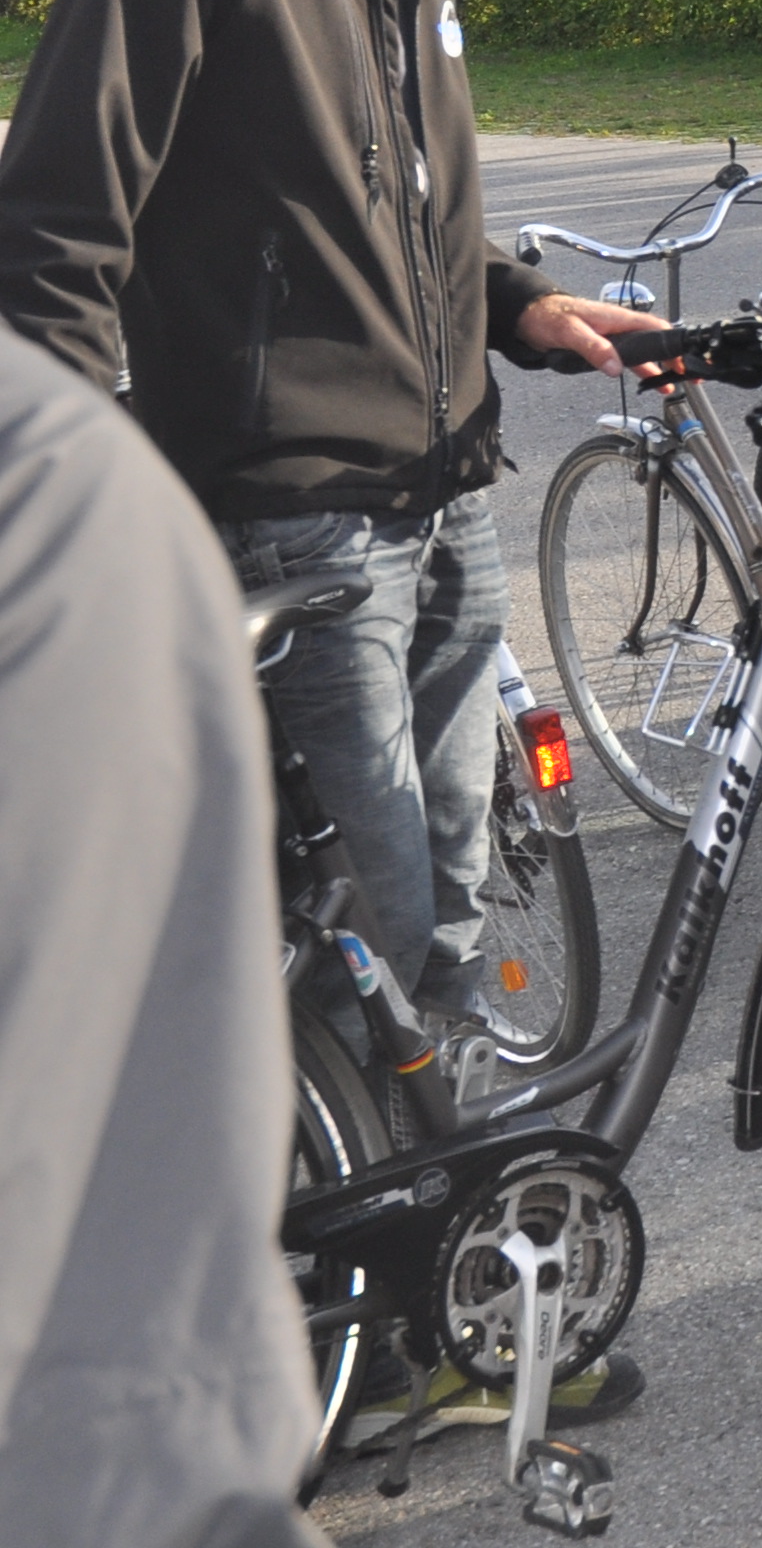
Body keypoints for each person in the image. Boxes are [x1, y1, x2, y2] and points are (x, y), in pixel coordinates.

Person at [0, 0, 663, 1444]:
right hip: (290, 512)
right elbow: (56, 234)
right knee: (376, 925)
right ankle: (328, 1332)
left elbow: (386, 204)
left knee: (421, 916)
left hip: (441, 493)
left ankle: (422, 1303)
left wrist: (516, 300)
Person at [0, 331, 325, 1547]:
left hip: (421, 471)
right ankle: (410, 1311)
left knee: (434, 917)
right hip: (296, 485)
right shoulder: (43, 480)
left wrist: (508, 303)